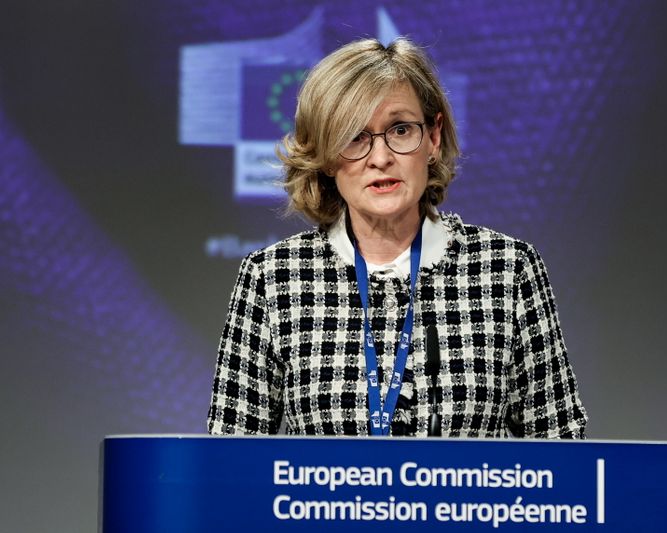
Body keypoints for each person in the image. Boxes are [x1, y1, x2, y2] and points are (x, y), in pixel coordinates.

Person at [208, 37, 587, 438]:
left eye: (401, 130)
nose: (380, 157)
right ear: (326, 157)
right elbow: (230, 467)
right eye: (355, 137)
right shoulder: (274, 279)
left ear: (433, 139)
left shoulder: (507, 271)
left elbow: (562, 455)